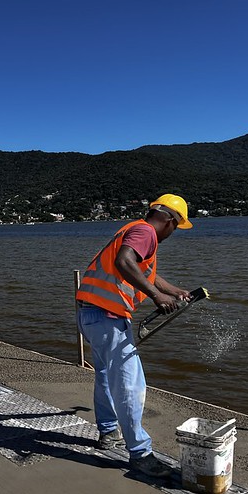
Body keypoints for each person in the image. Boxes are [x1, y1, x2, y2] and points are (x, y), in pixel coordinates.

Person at [76, 194, 194, 478]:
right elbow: (124, 261)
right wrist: (156, 296)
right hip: (107, 317)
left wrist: (174, 291)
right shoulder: (146, 232)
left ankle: (109, 433)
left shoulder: (132, 229)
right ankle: (140, 454)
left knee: (106, 376)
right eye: (176, 227)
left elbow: (144, 272)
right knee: (130, 384)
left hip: (90, 314)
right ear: (169, 221)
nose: (173, 233)